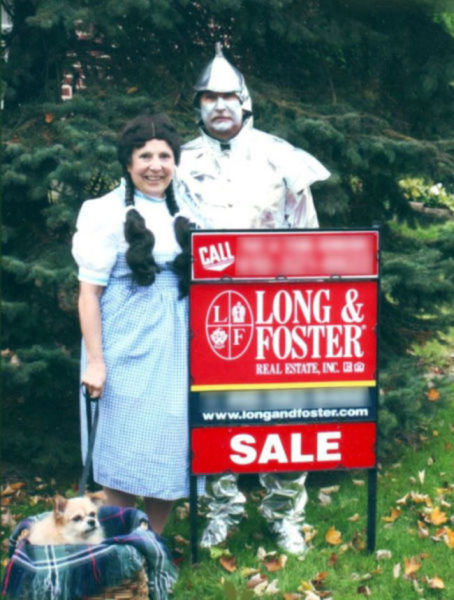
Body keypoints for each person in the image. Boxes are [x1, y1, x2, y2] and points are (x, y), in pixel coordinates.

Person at [179, 44, 330, 554]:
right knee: (214, 410)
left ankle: (283, 512)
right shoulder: (177, 162)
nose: (220, 105)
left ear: (245, 102)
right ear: (198, 105)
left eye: (229, 95)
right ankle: (221, 508)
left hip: (278, 307)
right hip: (211, 311)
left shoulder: (280, 156)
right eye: (209, 97)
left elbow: (307, 234)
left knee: (285, 412)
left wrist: (305, 306)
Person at [72, 114, 205, 535]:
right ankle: (119, 541)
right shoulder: (103, 212)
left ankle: (152, 542)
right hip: (124, 345)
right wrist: (96, 362)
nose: (155, 166)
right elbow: (88, 294)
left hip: (178, 346)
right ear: (128, 162)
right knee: (124, 445)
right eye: (145, 156)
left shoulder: (191, 208)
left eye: (165, 156)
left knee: (170, 443)